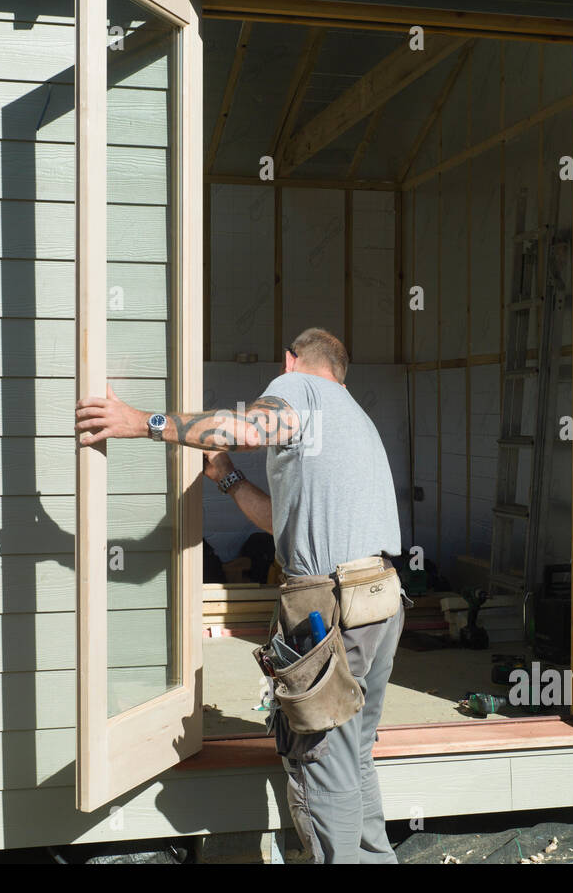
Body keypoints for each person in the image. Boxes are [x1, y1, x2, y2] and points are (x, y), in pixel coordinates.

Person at [74, 327, 404, 863]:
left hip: (332, 606)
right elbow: (286, 524)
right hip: (379, 600)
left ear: (290, 360)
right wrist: (226, 479)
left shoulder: (299, 389)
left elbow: (247, 429)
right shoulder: (354, 420)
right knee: (353, 753)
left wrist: (142, 423)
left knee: (321, 757)